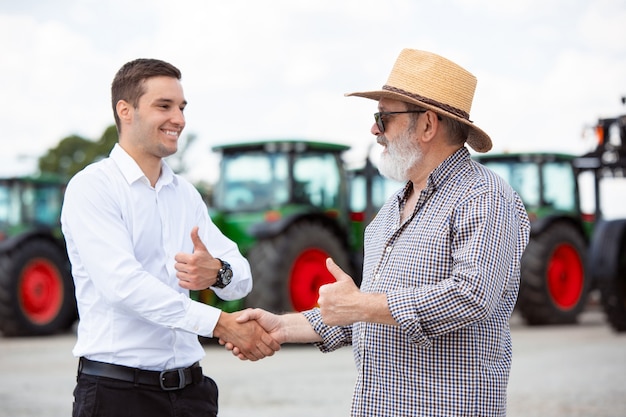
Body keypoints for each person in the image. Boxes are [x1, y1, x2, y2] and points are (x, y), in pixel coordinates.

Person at [226, 49, 531, 416]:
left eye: (383, 117)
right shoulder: (389, 212)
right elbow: (368, 311)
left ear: (427, 125)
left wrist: (360, 304)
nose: (374, 129)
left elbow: (471, 296)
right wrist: (283, 327)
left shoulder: (484, 195)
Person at [61, 58, 279, 417]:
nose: (178, 118)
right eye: (164, 106)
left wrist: (217, 272)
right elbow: (123, 286)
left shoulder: (186, 195)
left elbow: (240, 277)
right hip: (117, 395)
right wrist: (219, 322)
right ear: (125, 110)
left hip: (192, 394)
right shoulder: (92, 188)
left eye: (181, 107)